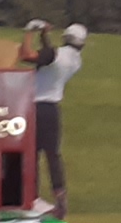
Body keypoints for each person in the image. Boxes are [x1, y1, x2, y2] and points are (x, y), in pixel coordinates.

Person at [19, 19, 87, 210]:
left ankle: (32, 197)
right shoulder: (76, 61)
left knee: (32, 154)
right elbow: (48, 58)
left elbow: (27, 55)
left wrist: (29, 32)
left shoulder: (55, 54)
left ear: (66, 38)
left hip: (35, 107)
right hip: (52, 109)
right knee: (52, 155)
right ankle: (60, 193)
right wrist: (44, 36)